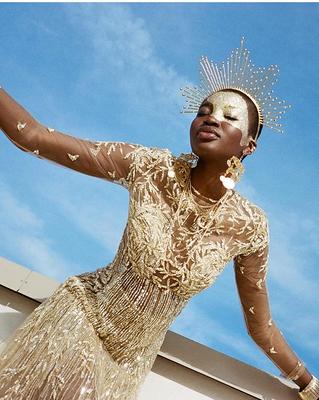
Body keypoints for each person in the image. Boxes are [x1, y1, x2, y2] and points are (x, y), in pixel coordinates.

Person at [0, 38, 318, 400]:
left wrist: (308, 383)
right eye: (204, 110)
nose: (211, 118)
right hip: (82, 319)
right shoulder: (149, 167)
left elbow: (260, 325)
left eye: (229, 117)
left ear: (248, 146)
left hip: (130, 363)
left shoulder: (249, 227)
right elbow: (35, 137)